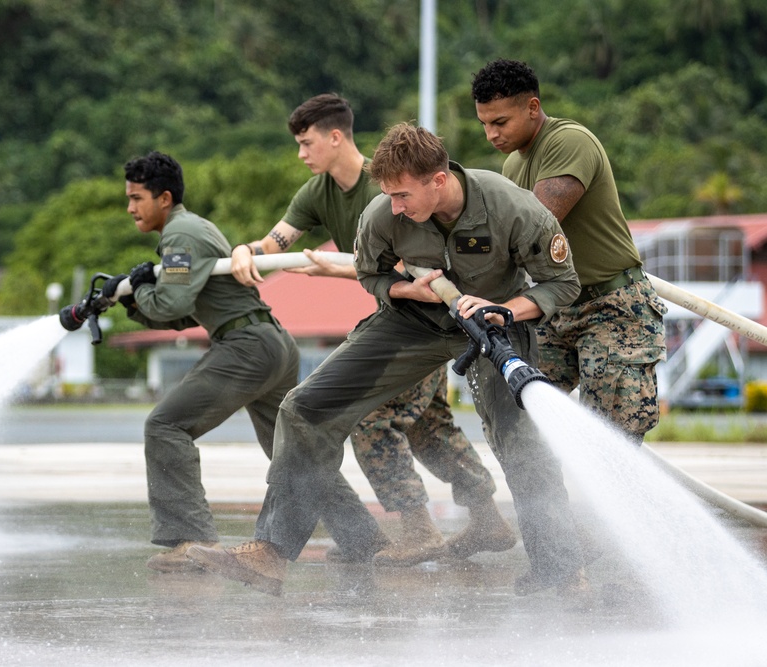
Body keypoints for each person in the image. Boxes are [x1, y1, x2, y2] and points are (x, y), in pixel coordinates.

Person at [187, 124, 588, 597]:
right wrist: (405, 289)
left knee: (522, 442)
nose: (395, 206)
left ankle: (560, 572)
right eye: (389, 196)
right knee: (305, 409)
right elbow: (368, 271)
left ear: (438, 180)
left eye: (402, 195)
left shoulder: (511, 207)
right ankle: (270, 554)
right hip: (415, 322)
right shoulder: (383, 214)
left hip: (497, 327)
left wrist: (503, 310)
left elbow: (562, 284)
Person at [230, 93, 515, 566]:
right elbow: (277, 240)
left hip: (427, 319)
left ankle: (418, 530)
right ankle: (487, 517)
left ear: (335, 136)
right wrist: (247, 250)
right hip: (404, 317)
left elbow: (418, 269)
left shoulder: (389, 188)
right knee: (428, 424)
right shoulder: (317, 192)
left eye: (306, 143)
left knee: (373, 420)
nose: (301, 154)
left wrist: (338, 271)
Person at [76, 151, 383, 573]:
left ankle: (191, 539)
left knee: (165, 426)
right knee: (292, 453)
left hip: (247, 345)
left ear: (164, 198)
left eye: (136, 198)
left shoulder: (180, 234)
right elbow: (185, 314)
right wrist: (133, 297)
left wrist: (139, 290)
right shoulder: (191, 229)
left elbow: (170, 302)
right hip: (271, 342)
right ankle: (364, 541)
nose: (130, 208)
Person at [471, 59, 667, 443]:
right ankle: (545, 507)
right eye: (484, 124)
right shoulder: (513, 164)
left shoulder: (569, 141)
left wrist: (470, 249)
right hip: (555, 309)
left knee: (609, 440)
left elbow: (536, 227)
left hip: (611, 307)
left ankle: (614, 506)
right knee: (519, 423)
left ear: (532, 107)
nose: (490, 134)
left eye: (500, 122)